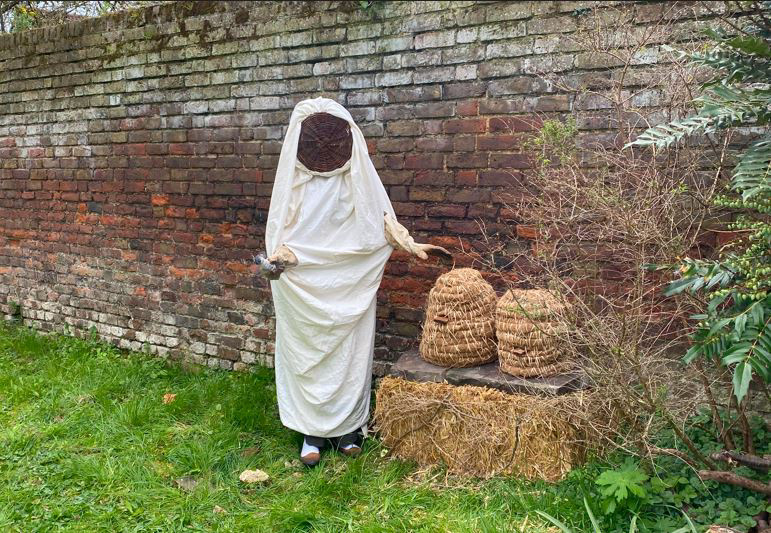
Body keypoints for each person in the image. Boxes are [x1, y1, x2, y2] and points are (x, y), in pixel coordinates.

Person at [261, 97, 449, 466]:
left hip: (352, 285)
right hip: (303, 289)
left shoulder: (358, 178)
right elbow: (280, 236)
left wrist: (409, 244)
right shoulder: (293, 185)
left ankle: (349, 429)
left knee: (350, 356)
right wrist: (277, 261)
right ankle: (310, 432)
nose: (325, 148)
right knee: (306, 356)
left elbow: (380, 220)